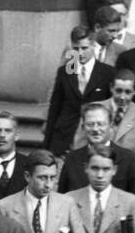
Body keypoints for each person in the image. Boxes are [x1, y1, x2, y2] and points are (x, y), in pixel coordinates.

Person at [44, 26, 115, 155]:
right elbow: (55, 108)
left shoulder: (107, 73)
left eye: (84, 48)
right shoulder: (65, 71)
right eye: (76, 49)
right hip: (65, 137)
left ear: (93, 45)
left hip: (94, 137)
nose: (80, 53)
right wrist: (47, 145)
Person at [58, 101, 135, 193]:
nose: (95, 129)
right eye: (90, 124)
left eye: (100, 124)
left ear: (111, 126)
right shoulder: (72, 158)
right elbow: (62, 199)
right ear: (83, 127)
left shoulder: (129, 159)